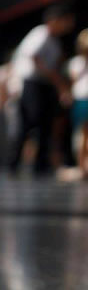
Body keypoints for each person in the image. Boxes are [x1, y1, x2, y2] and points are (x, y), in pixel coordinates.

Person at [8, 4, 76, 175]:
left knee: (44, 124)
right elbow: (34, 57)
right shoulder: (41, 33)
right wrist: (55, 78)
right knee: (30, 123)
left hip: (44, 85)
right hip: (31, 84)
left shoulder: (54, 41)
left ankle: (40, 165)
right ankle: (15, 164)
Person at [66, 29, 88, 179]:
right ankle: (82, 167)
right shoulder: (76, 63)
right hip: (82, 100)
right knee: (83, 134)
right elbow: (73, 82)